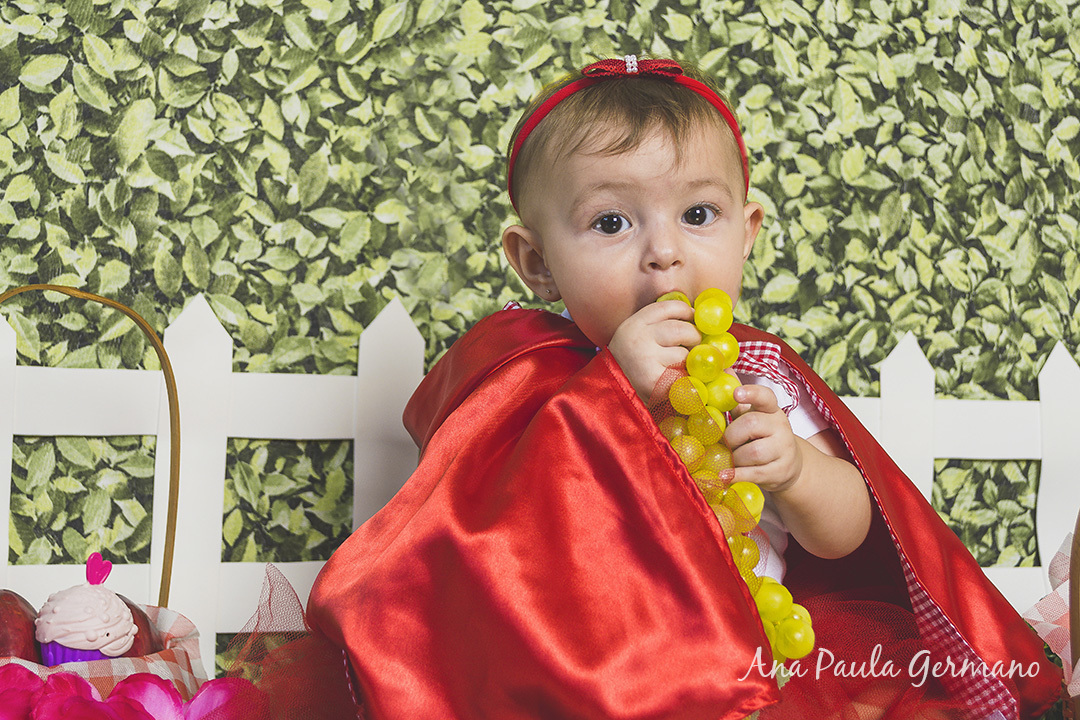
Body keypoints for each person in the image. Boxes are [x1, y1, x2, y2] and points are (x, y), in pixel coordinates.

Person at [305, 56, 1059, 719]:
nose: (664, 254)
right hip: (580, 684)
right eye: (610, 223)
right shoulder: (516, 376)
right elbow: (478, 534)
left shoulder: (754, 374)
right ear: (534, 261)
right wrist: (609, 393)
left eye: (698, 215)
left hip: (755, 676)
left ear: (747, 232)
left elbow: (849, 534)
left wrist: (796, 473)